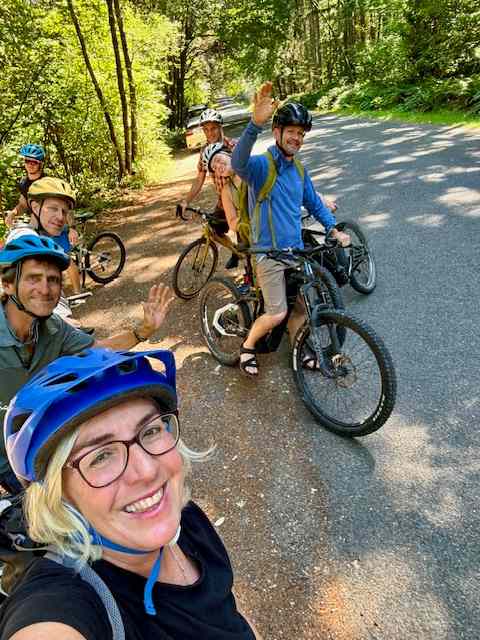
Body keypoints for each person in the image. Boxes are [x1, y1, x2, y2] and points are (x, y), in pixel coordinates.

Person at [0, 347, 261, 640]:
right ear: (59, 495)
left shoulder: (188, 522)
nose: (147, 471)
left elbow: (226, 614)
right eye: (100, 456)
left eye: (150, 431)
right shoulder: (64, 604)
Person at [0, 234, 174, 493]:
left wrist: (143, 330)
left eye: (54, 280)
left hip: (42, 442)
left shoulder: (53, 328)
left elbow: (97, 350)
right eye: (33, 278)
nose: (45, 289)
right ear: (8, 285)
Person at [231, 82, 351, 377]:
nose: (297, 138)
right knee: (278, 313)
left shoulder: (299, 170)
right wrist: (253, 125)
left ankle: (300, 350)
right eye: (292, 132)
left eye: (301, 133)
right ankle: (247, 347)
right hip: (268, 254)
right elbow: (238, 163)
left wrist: (332, 229)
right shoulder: (262, 167)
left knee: (300, 308)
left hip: (294, 253)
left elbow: (315, 202)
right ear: (277, 132)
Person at [180, 109, 239, 269]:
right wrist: (186, 201)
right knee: (213, 229)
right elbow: (199, 179)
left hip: (241, 198)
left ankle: (250, 276)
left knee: (246, 238)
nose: (210, 133)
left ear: (220, 127)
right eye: (206, 129)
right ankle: (236, 251)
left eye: (213, 128)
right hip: (223, 200)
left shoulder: (233, 146)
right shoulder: (204, 151)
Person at [4, 144, 46, 228]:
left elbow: (64, 206)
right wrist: (13, 213)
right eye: (27, 161)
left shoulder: (48, 182)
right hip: (35, 225)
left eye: (34, 162)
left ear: (40, 164)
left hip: (52, 224)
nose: (30, 165)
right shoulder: (23, 183)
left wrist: (72, 228)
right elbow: (23, 205)